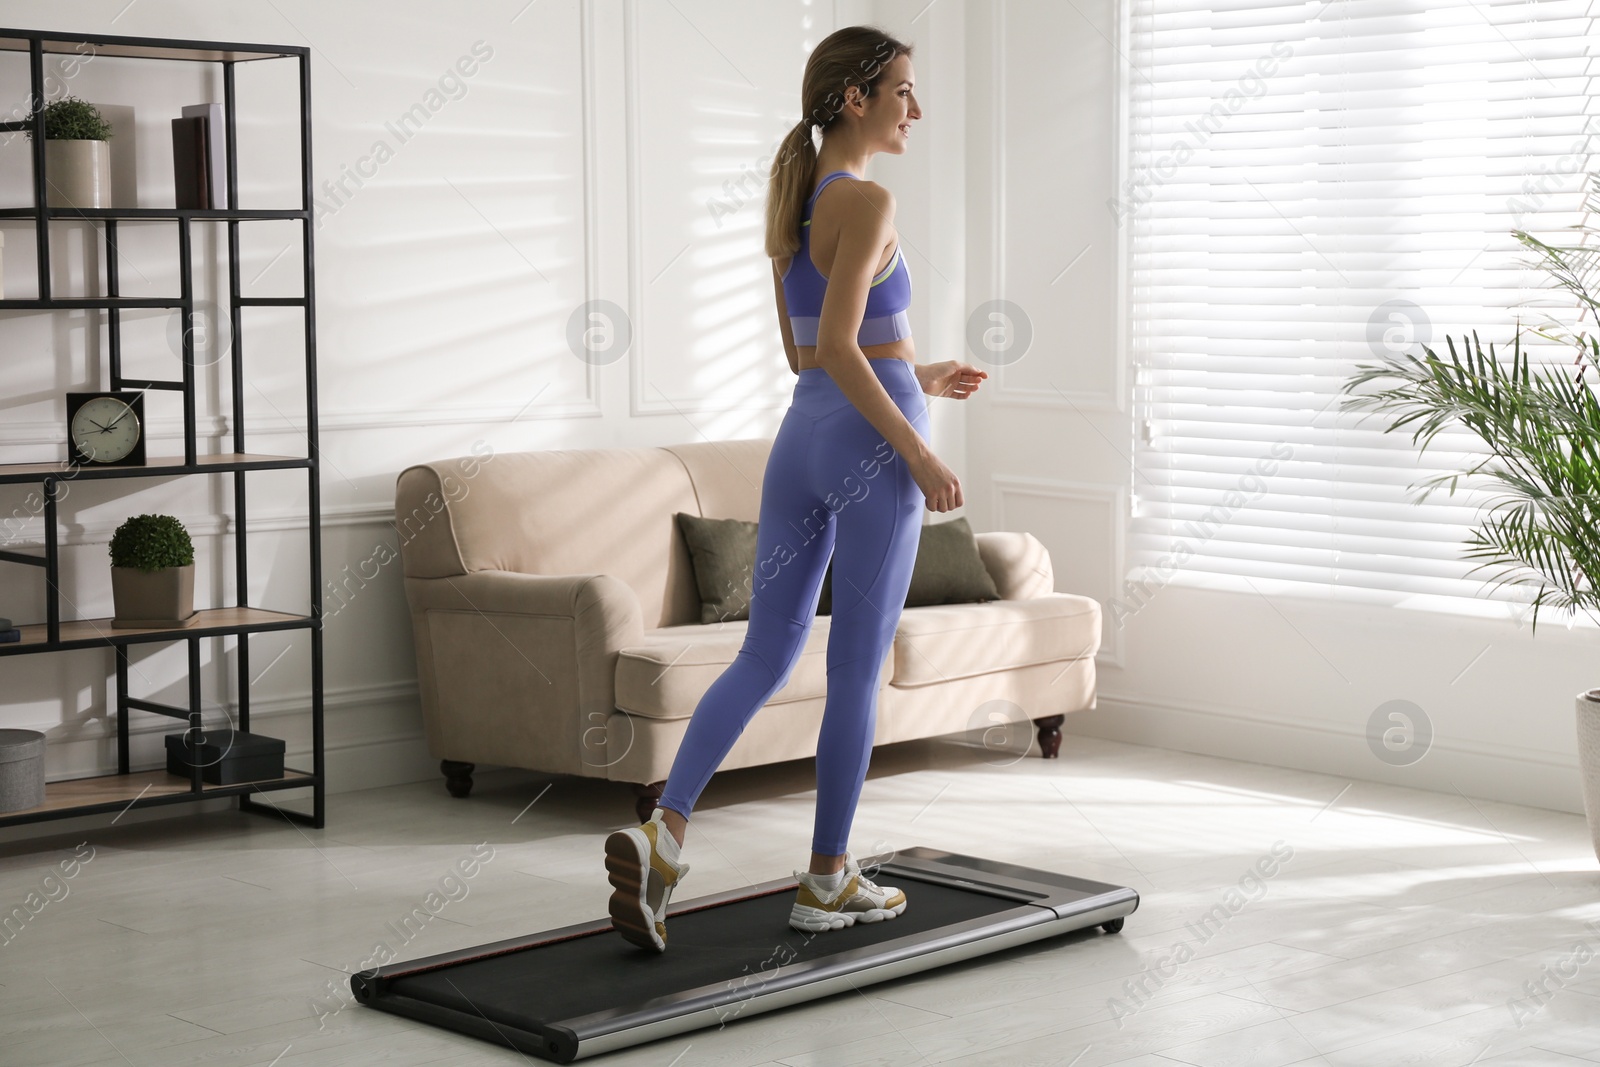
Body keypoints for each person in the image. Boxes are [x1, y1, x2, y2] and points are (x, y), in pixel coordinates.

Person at [604, 24, 987, 953]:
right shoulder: (871, 199)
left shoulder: (793, 203)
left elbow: (807, 354)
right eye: (902, 90)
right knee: (857, 668)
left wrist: (918, 369)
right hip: (870, 450)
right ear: (855, 99)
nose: (915, 108)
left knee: (763, 653)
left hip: (801, 444)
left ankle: (667, 831)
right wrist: (921, 452)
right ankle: (825, 879)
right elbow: (848, 352)